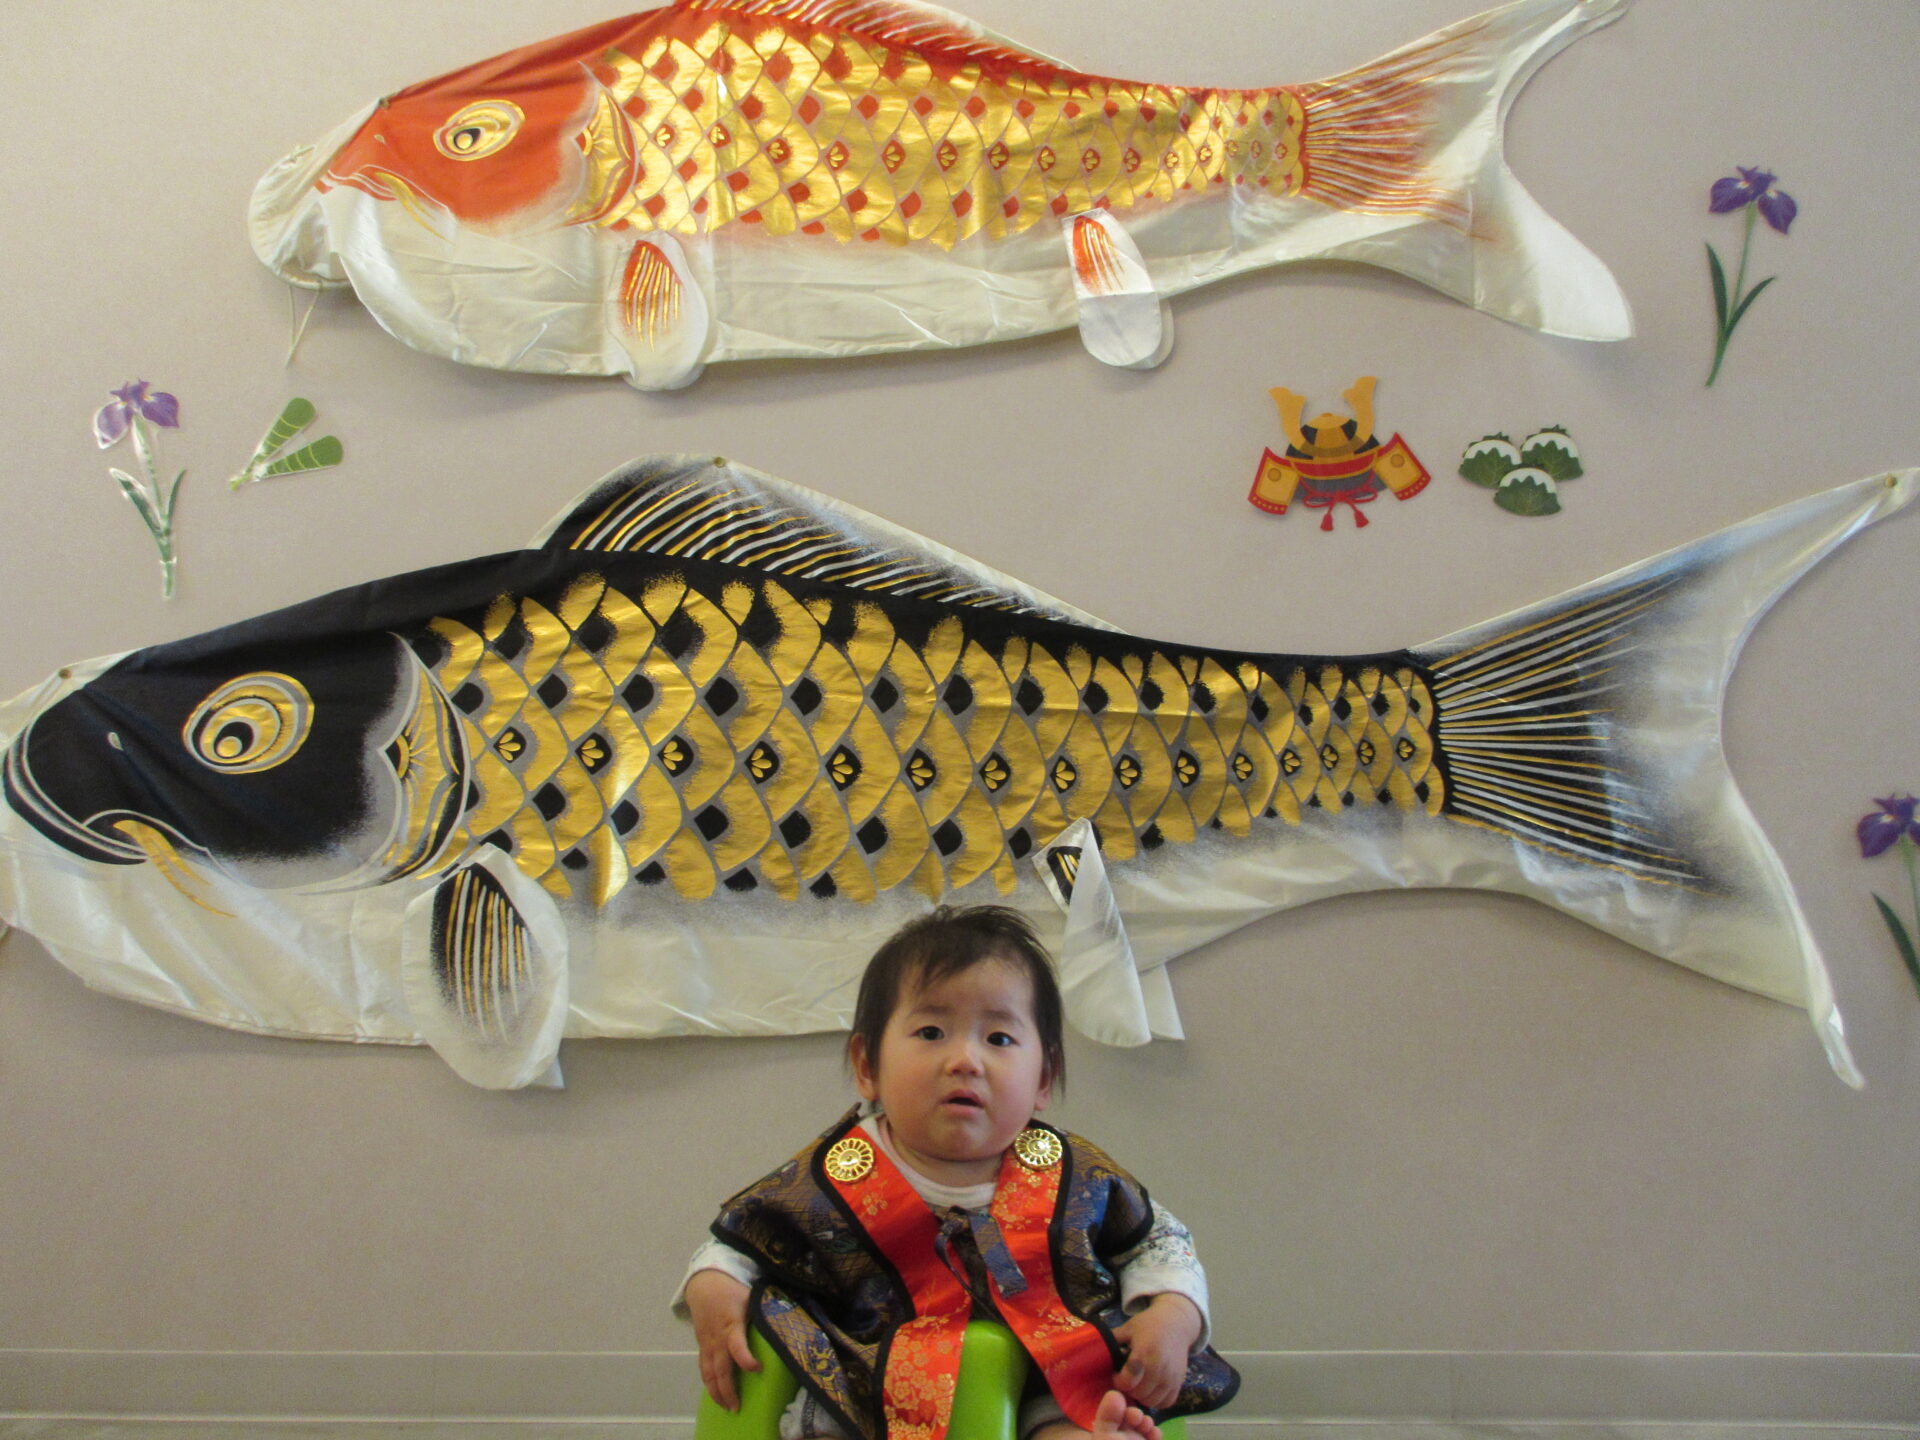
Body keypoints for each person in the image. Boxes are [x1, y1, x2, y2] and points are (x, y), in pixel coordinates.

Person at [676, 905, 1238, 1440]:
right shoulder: (835, 1173)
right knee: (821, 1414)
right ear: (868, 1067)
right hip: (869, 1371)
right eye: (931, 1033)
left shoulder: (1074, 1173)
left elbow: (1161, 1243)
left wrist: (1173, 1314)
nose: (965, 1060)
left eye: (998, 1038)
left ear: (1043, 1080)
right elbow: (745, 1238)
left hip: (1049, 1369)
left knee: (1079, 1412)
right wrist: (713, 1283)